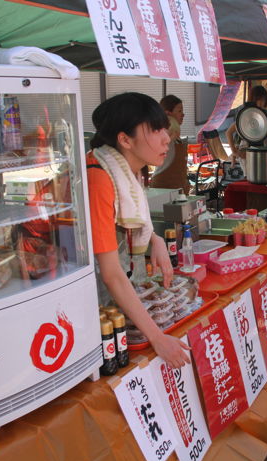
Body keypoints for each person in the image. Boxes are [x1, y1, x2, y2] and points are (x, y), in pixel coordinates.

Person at [87, 92, 191, 368]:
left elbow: (132, 218)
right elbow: (111, 274)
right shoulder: (98, 178)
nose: (167, 138)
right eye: (156, 130)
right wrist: (157, 338)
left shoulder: (127, 169)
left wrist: (155, 238)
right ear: (125, 140)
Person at [149, 95, 190, 194]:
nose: (183, 114)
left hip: (179, 187)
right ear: (168, 113)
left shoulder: (176, 136)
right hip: (162, 187)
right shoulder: (165, 132)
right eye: (179, 111)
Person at [226, 85, 267, 165]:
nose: (260, 103)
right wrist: (235, 152)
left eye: (263, 100)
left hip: (262, 149)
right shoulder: (247, 114)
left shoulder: (266, 114)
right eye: (258, 100)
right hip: (245, 151)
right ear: (252, 100)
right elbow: (229, 132)